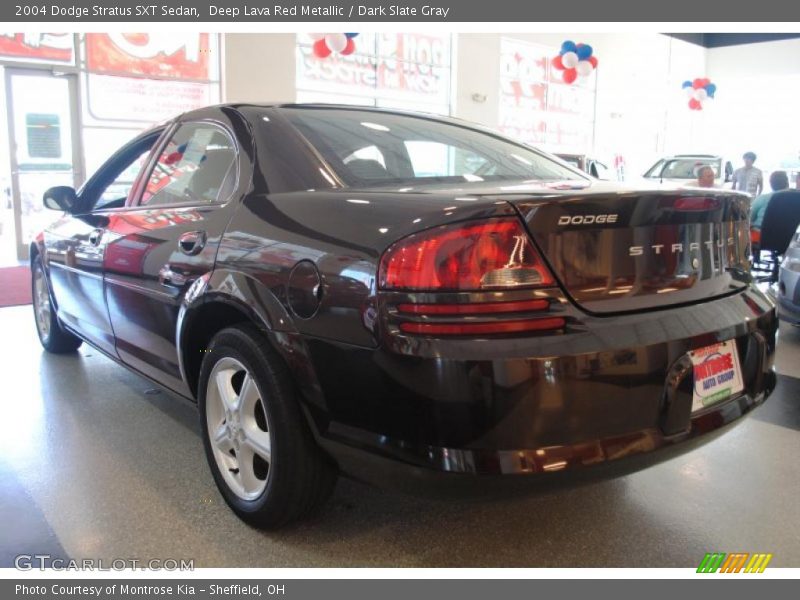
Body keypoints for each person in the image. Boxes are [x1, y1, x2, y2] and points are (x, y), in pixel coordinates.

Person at [750, 170, 790, 247]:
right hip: (788, 239)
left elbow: (749, 218)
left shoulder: (763, 198)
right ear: (787, 183)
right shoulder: (796, 198)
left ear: (771, 184)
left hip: (760, 237)